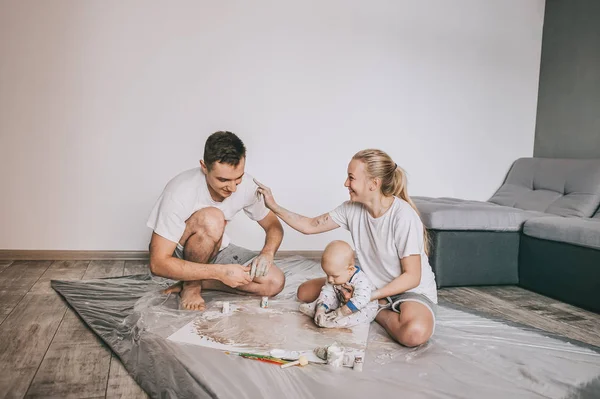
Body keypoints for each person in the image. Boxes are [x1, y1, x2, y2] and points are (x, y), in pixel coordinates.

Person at [255, 149, 438, 347]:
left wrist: (369, 298)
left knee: (414, 334)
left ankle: (377, 310)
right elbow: (309, 226)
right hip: (369, 283)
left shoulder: (403, 216)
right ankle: (367, 303)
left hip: (408, 289)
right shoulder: (351, 209)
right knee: (304, 293)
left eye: (351, 178)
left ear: (373, 184)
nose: (345, 183)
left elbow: (412, 277)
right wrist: (273, 205)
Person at [147, 131, 285, 310]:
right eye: (223, 180)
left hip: (214, 249)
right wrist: (222, 272)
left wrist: (268, 252)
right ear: (204, 167)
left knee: (274, 282)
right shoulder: (180, 191)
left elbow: (274, 226)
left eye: (238, 178)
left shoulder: (247, 186)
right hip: (179, 254)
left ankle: (199, 281)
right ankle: (191, 285)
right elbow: (157, 263)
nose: (233, 188)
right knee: (213, 218)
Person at [299, 240, 379, 328]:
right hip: (341, 300)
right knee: (324, 299)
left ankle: (331, 322)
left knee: (350, 318)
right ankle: (317, 310)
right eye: (327, 274)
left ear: (350, 270)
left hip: (362, 308)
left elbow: (361, 300)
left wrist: (341, 312)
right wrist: (321, 308)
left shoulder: (361, 280)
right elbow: (327, 292)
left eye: (334, 276)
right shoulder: (336, 275)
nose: (329, 279)